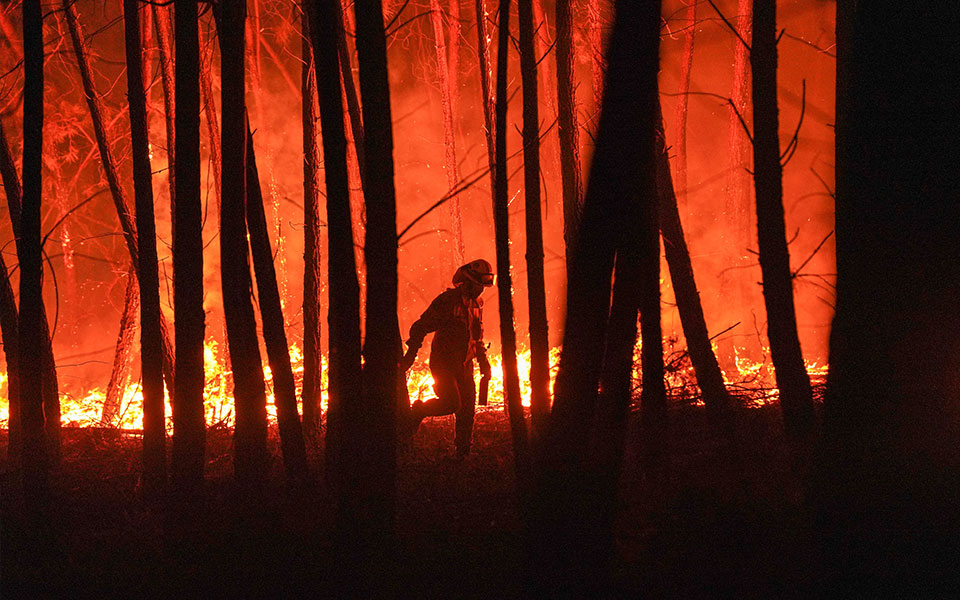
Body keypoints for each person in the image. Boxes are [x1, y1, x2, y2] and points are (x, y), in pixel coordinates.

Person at [400, 259, 494, 457]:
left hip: (465, 365)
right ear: (467, 282)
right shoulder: (447, 301)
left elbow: (477, 338)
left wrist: (484, 363)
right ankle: (419, 411)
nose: (481, 291)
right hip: (443, 364)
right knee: (452, 403)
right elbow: (420, 327)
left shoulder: (478, 304)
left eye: (483, 287)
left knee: (467, 411)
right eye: (478, 285)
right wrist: (410, 355)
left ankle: (463, 453)